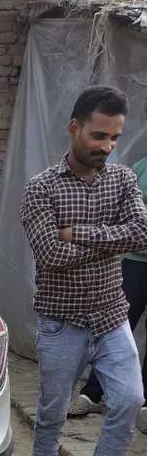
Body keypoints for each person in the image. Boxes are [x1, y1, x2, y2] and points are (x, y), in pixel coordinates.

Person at [20, 85, 147, 456]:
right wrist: (108, 238)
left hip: (112, 316)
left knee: (129, 399)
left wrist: (78, 234)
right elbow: (50, 256)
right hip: (61, 322)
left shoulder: (123, 180)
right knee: (53, 410)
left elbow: (142, 234)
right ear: (74, 128)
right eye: (98, 136)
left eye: (114, 138)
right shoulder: (41, 190)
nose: (106, 147)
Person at [68, 152, 147, 427]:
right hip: (135, 262)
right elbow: (121, 219)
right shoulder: (138, 169)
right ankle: (93, 393)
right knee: (114, 327)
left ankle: (144, 403)